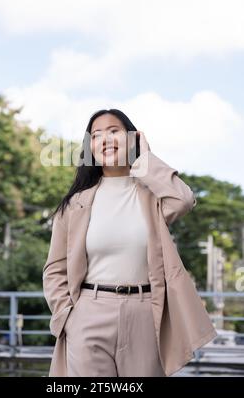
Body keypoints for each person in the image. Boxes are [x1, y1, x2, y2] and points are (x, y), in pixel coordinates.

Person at [43, 108, 217, 377]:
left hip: (146, 313)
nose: (105, 139)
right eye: (96, 134)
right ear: (89, 147)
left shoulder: (152, 197)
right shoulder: (75, 205)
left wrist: (146, 160)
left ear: (132, 139)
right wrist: (68, 317)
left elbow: (183, 200)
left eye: (114, 131)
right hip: (88, 313)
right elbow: (54, 270)